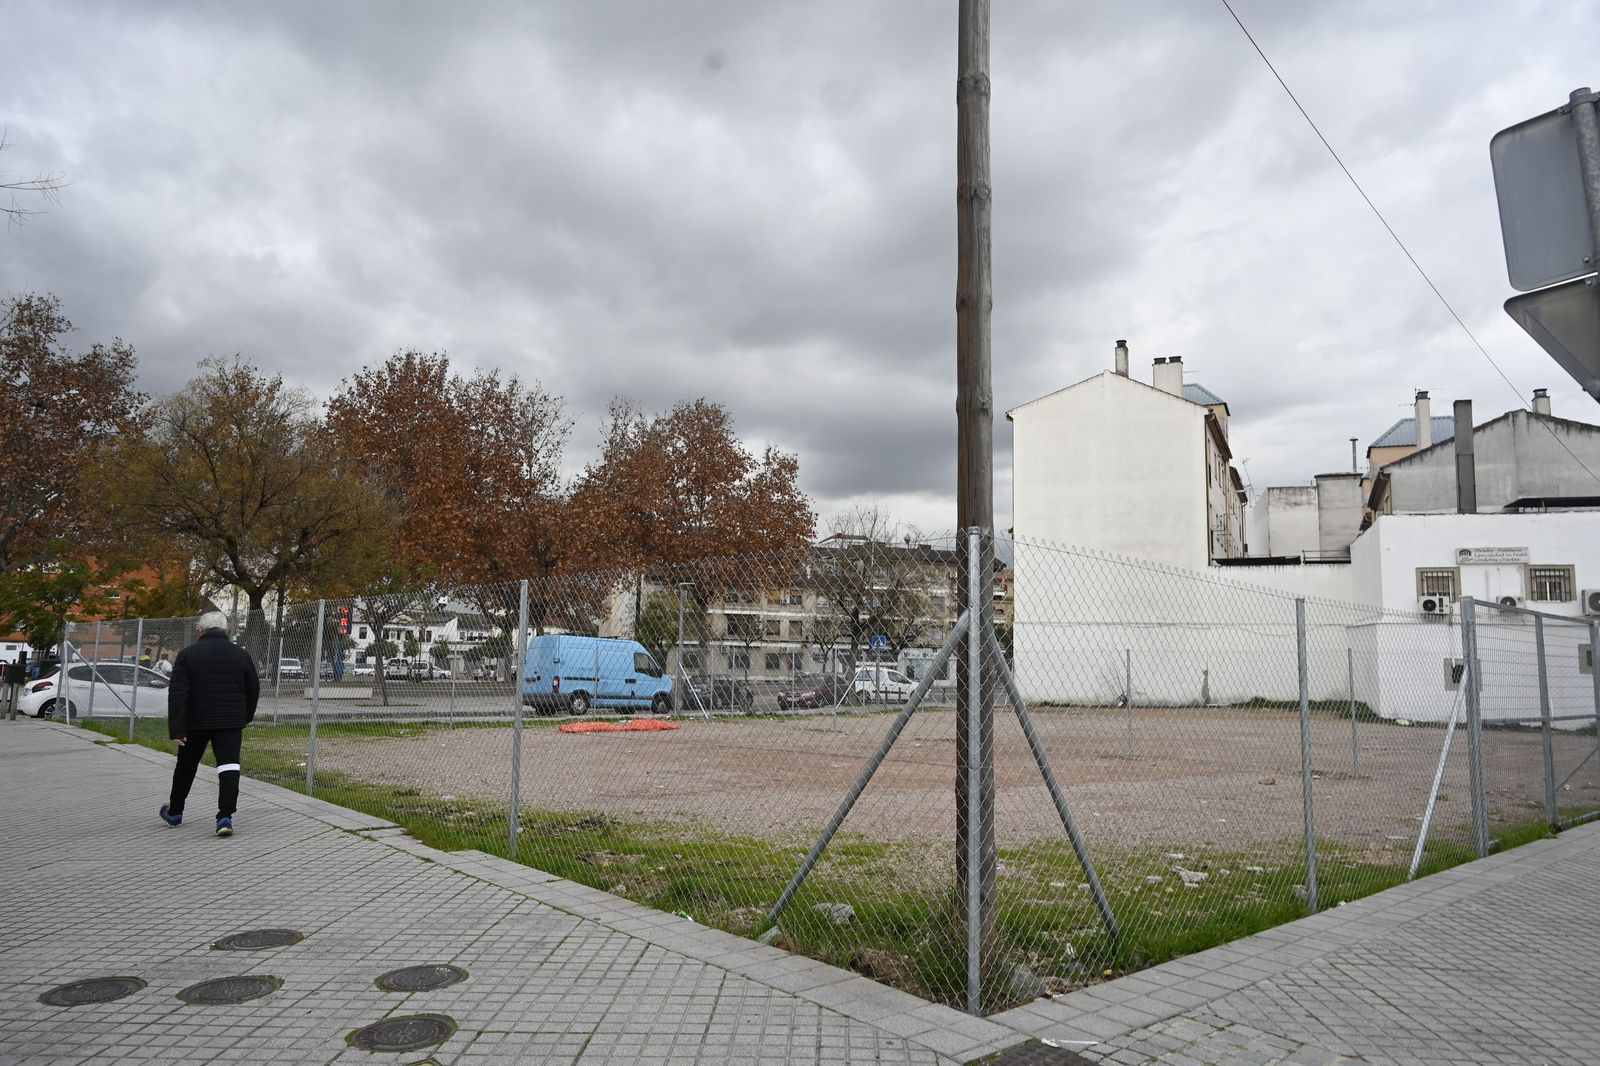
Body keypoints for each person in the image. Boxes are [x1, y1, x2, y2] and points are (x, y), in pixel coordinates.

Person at [159, 611, 260, 837]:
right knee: (229, 767)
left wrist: (177, 728)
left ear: (201, 630)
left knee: (186, 766)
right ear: (227, 630)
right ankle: (225, 816)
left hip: (195, 722)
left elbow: (177, 695)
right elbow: (253, 689)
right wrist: (245, 717)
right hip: (231, 722)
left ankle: (175, 812)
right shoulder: (241, 655)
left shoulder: (187, 655)